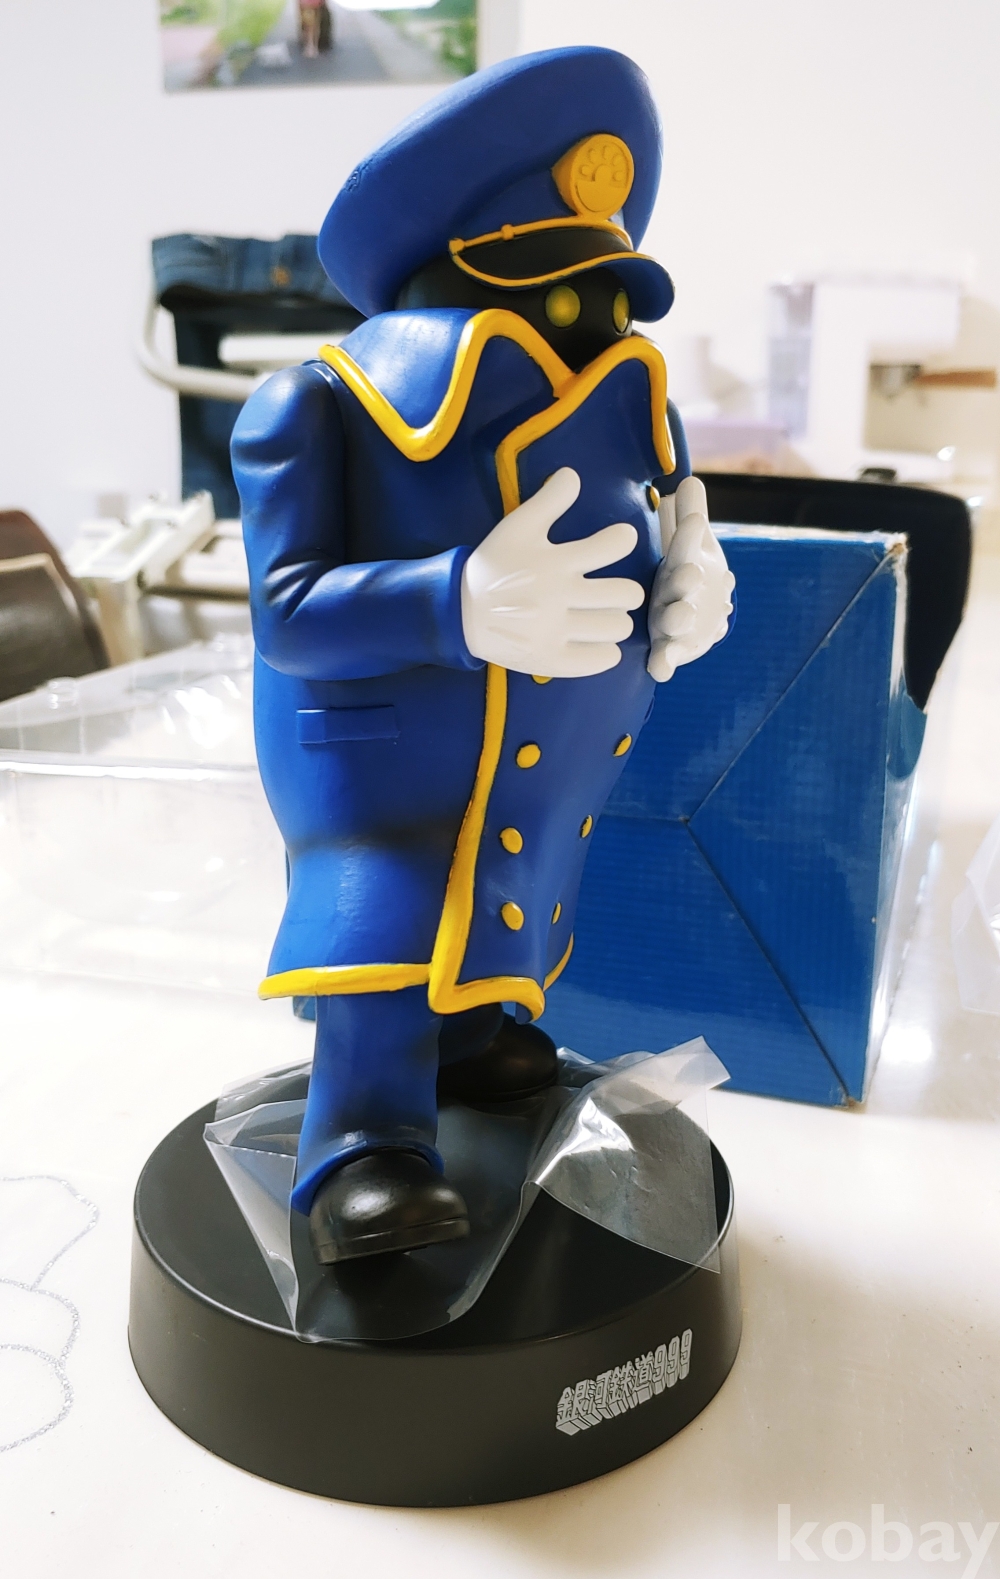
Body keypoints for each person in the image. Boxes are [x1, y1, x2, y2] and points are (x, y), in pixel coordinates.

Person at [232, 46, 734, 1265]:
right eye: (556, 303)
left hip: (549, 774)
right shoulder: (319, 405)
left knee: (508, 897)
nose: (589, 330)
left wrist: (692, 587)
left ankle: (464, 1039)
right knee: (388, 916)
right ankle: (360, 1145)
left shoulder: (635, 412)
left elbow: (655, 526)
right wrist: (451, 601)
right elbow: (288, 612)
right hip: (382, 769)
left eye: (608, 304)